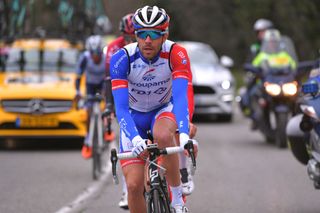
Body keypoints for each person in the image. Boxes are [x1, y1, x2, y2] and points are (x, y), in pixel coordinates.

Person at [109, 5, 198, 213]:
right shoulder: (122, 59)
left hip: (162, 109)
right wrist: (136, 139)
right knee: (133, 186)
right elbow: (120, 109)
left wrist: (183, 134)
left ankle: (177, 201)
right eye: (142, 34)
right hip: (133, 116)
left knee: (162, 134)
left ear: (164, 35)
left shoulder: (177, 53)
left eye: (154, 34)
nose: (147, 40)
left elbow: (180, 97)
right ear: (135, 36)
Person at [104, 13, 136, 210]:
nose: (132, 41)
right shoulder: (114, 48)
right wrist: (109, 106)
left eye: (135, 36)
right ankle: (127, 190)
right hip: (121, 91)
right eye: (128, 37)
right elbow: (108, 80)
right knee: (128, 144)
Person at [74, 35, 107, 159]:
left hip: (102, 83)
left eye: (98, 53)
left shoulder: (106, 58)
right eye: (93, 53)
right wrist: (77, 92)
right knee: (88, 111)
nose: (96, 56)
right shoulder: (85, 58)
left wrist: (107, 95)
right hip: (90, 85)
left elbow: (110, 77)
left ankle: (106, 129)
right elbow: (78, 76)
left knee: (105, 107)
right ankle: (88, 136)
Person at [240, 18, 274, 123]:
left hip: (277, 77)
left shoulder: (278, 46)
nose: (261, 34)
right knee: (250, 93)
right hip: (260, 78)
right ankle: (255, 115)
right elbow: (250, 62)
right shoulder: (255, 47)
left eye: (263, 31)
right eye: (259, 32)